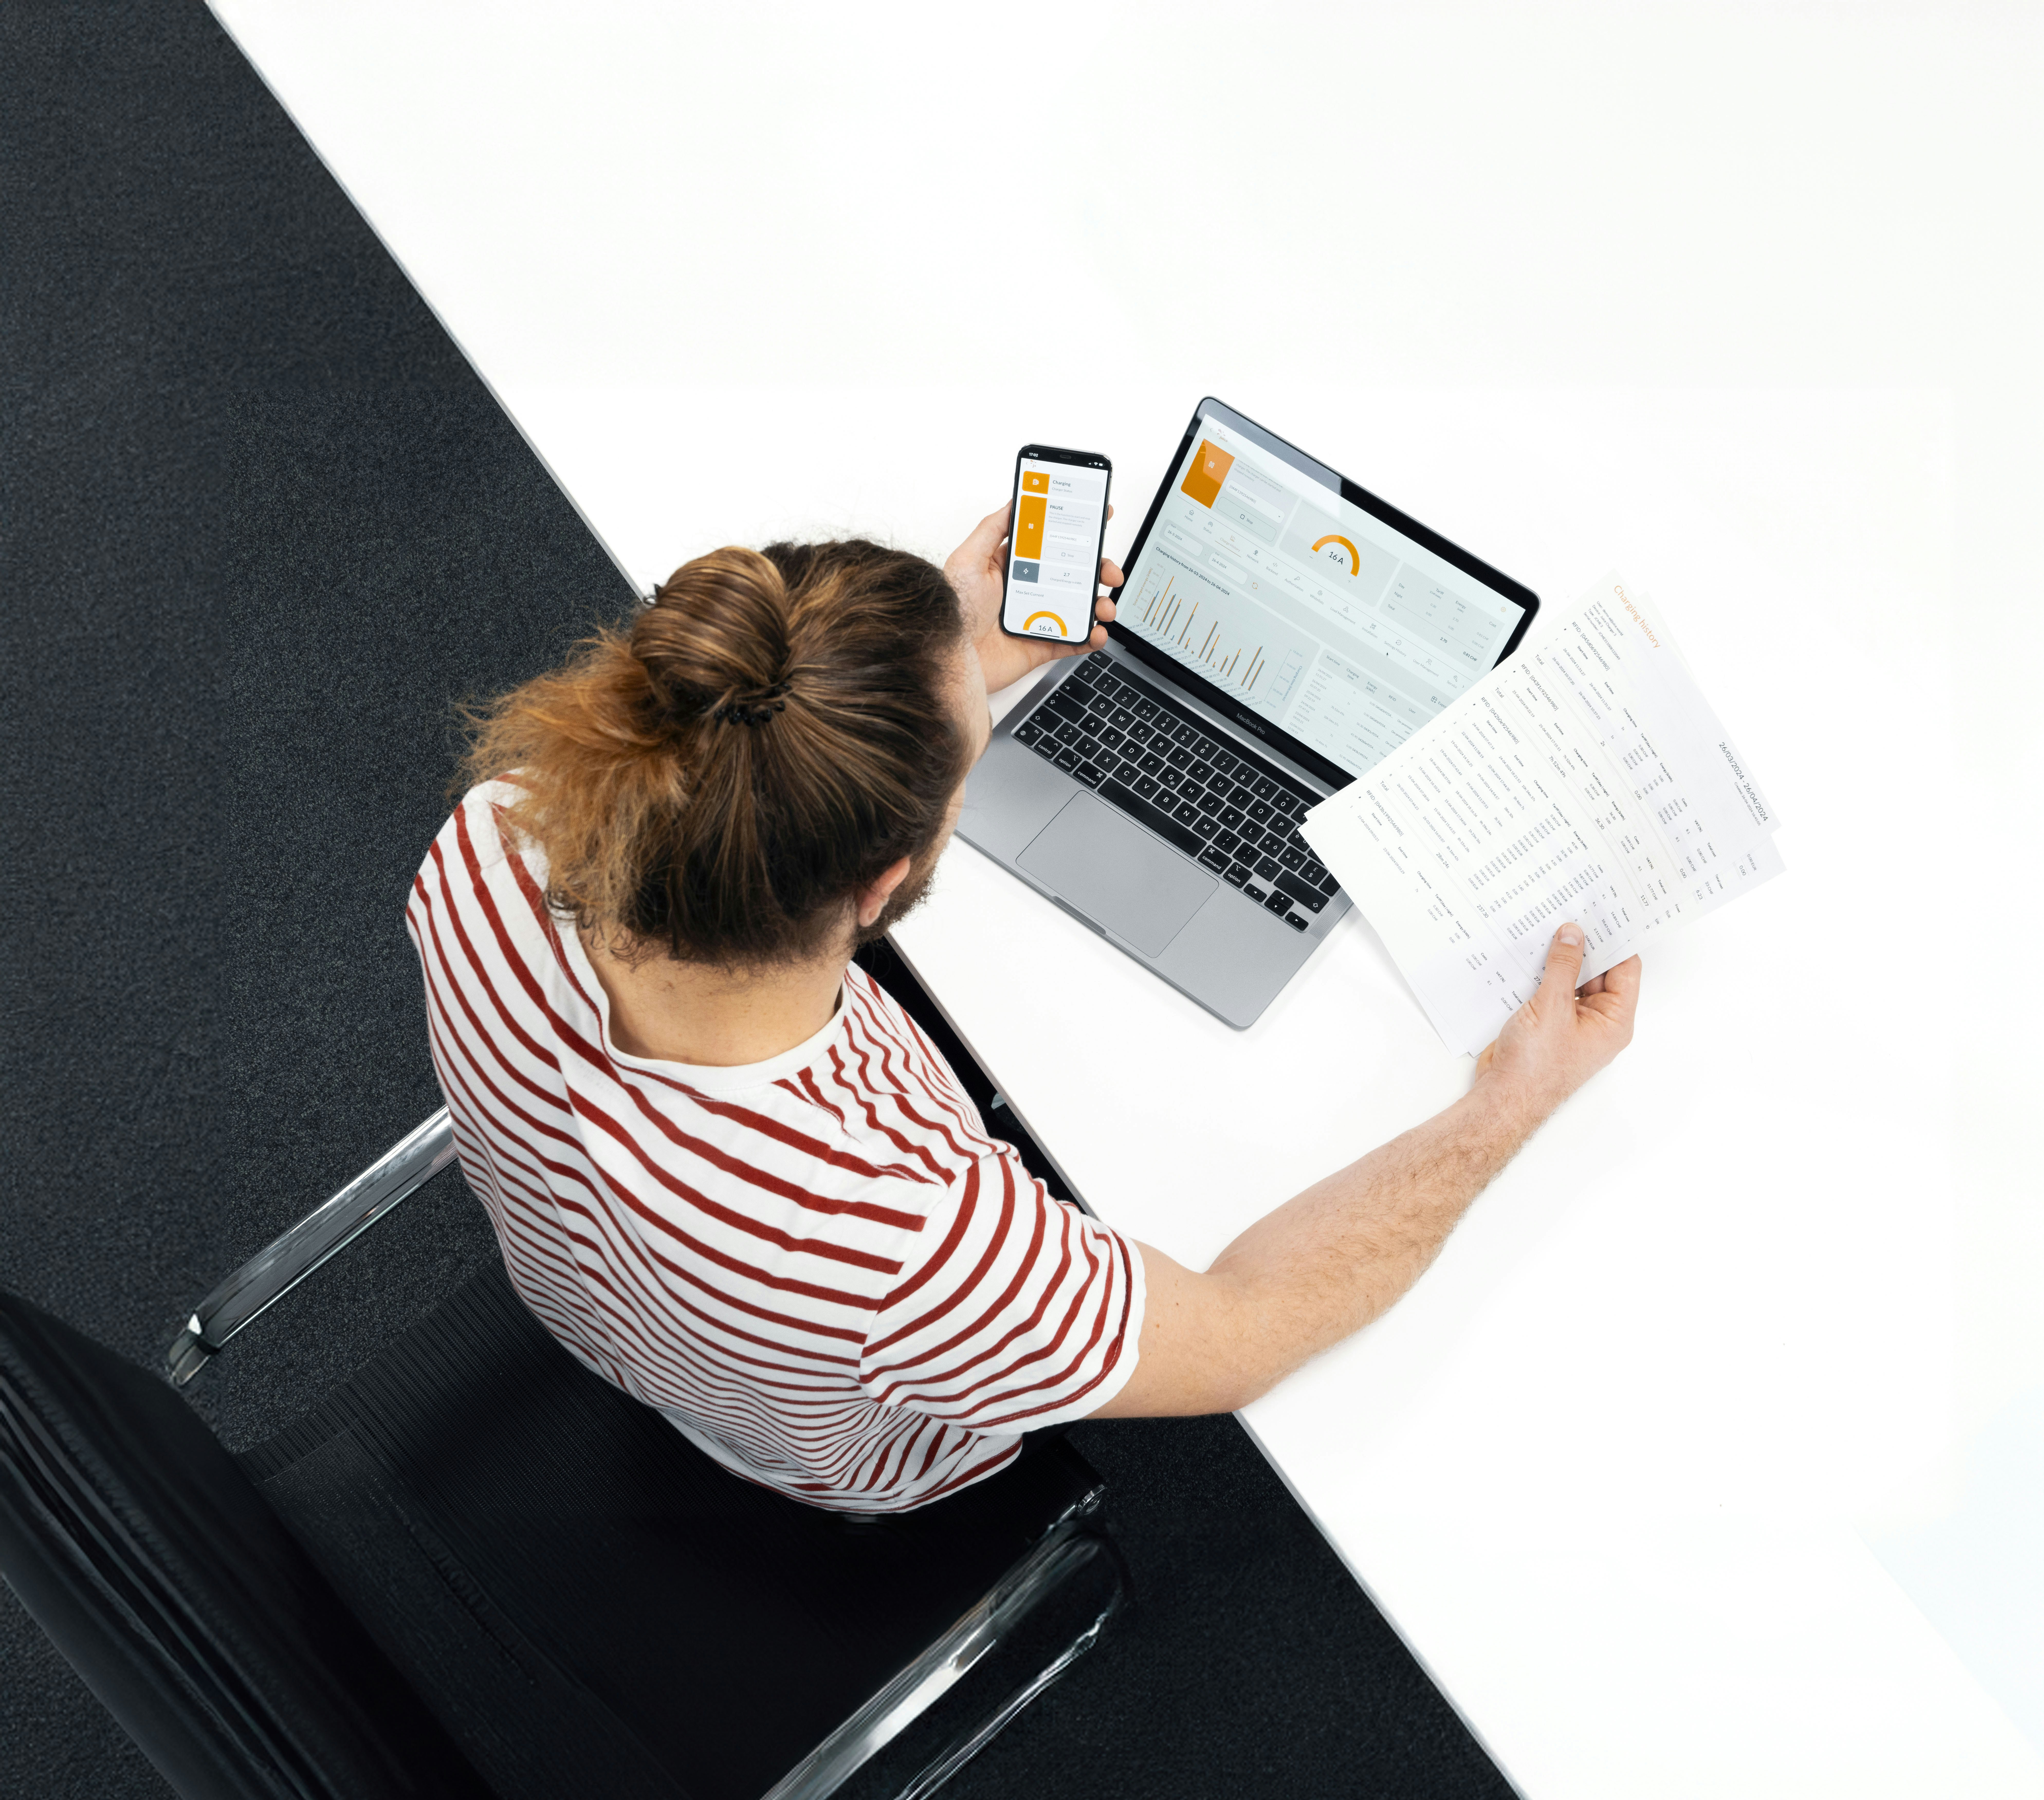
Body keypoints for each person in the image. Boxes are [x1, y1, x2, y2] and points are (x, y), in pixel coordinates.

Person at [407, 505, 1639, 1513]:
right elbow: (1243, 1331)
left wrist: (908, 675)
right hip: (810, 1457)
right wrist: (1509, 1098)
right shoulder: (902, 1236)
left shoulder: (490, 837)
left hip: (596, 1299)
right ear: (882, 883)